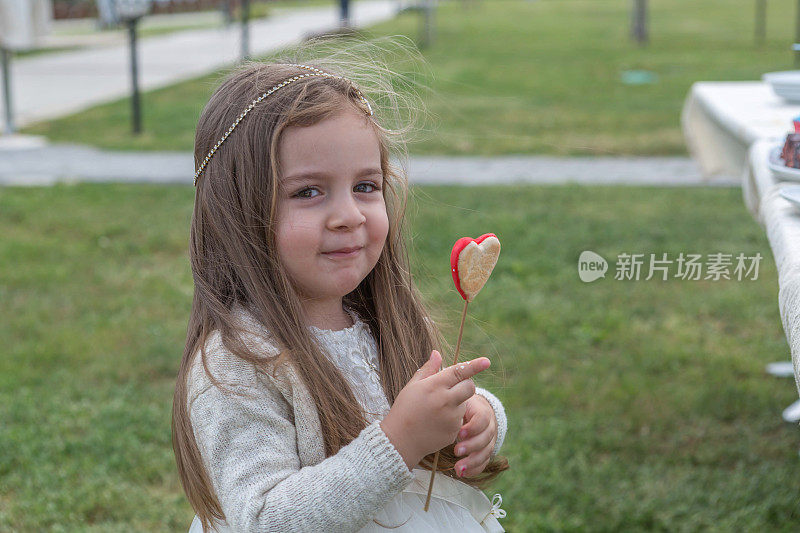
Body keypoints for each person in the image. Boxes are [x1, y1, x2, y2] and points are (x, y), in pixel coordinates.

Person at [171, 43, 510, 533]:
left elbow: (431, 409)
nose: (349, 216)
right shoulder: (235, 361)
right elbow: (266, 519)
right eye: (309, 191)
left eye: (366, 187)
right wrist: (399, 441)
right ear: (238, 211)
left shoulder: (379, 320)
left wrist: (481, 418)